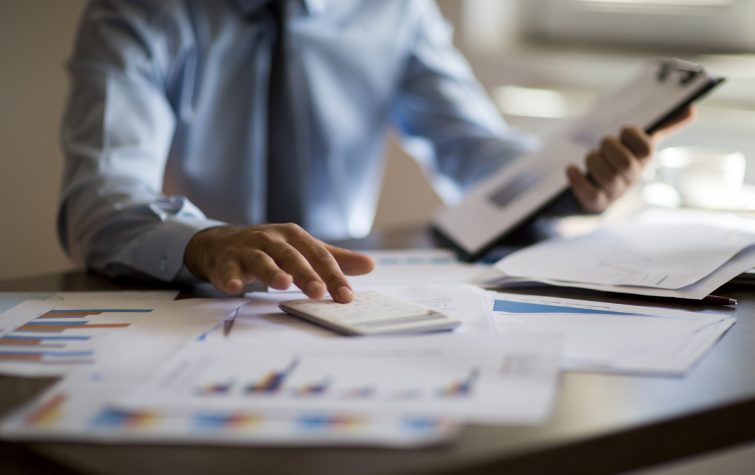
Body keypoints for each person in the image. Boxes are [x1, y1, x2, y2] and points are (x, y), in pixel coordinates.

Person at [58, 0, 692, 303]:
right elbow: (100, 195)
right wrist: (206, 241)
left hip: (343, 299)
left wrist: (572, 182)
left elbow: (474, 152)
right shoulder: (137, 12)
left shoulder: (397, 11)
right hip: (190, 298)